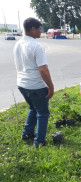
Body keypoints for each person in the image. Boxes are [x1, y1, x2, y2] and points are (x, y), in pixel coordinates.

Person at [13, 17, 54, 148]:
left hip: (22, 84)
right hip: (35, 86)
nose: (41, 31)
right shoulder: (36, 46)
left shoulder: (18, 44)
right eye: (39, 28)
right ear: (32, 29)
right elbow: (43, 70)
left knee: (32, 108)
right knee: (43, 113)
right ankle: (39, 141)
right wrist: (51, 86)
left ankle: (27, 134)